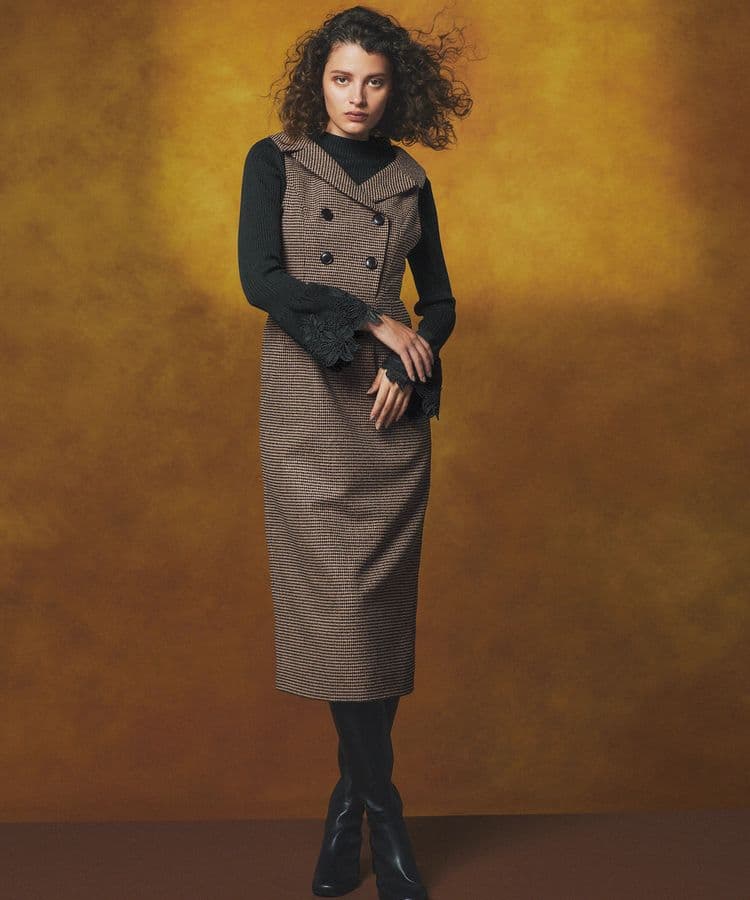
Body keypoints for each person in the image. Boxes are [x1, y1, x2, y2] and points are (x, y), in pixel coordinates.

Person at [237, 6, 472, 898]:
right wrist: (375, 320)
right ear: (319, 82)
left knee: (374, 612)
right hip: (309, 396)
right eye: (341, 79)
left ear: (395, 88)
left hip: (389, 412)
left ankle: (349, 811)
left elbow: (441, 302)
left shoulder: (410, 179)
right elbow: (261, 279)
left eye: (374, 80)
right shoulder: (277, 159)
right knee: (337, 606)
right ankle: (385, 811)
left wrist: (414, 359)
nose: (357, 97)